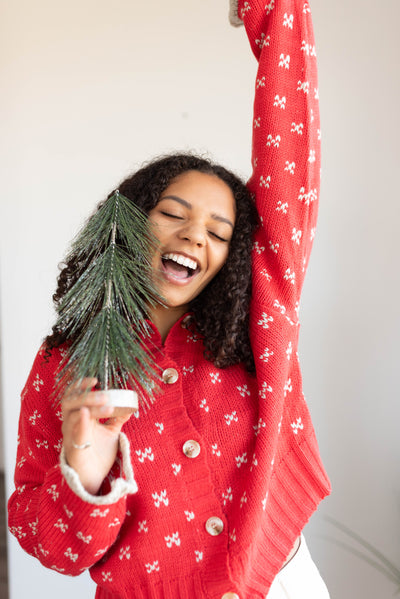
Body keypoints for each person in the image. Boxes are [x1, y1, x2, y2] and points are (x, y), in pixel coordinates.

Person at [8, 0, 331, 597]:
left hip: (283, 578)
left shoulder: (260, 315)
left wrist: (275, 11)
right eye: (173, 215)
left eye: (218, 232)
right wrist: (85, 470)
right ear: (128, 224)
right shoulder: (66, 364)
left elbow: (291, 159)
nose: (192, 237)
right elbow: (50, 547)